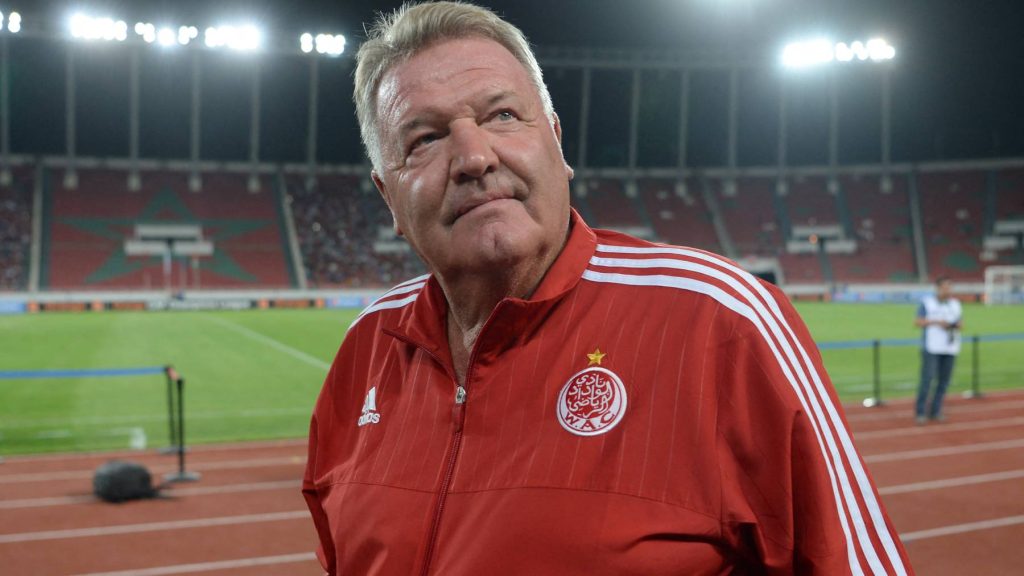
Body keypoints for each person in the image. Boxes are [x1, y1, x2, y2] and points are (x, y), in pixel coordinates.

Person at [302, 2, 913, 574]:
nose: (473, 157)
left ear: (557, 145)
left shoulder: (721, 322)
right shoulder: (366, 350)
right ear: (389, 196)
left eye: (503, 115)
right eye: (424, 139)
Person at [914, 277, 962, 424]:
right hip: (932, 347)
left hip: (950, 347)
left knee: (944, 382)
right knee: (927, 380)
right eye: (945, 287)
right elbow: (918, 321)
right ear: (938, 288)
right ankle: (920, 412)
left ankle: (936, 410)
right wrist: (937, 322)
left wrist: (952, 325)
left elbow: (961, 323)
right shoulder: (927, 303)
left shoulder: (955, 304)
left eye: (950, 287)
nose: (948, 290)